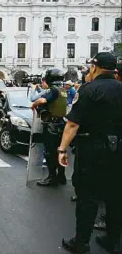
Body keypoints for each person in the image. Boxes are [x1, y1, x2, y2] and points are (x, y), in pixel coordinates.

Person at [58, 52, 122, 253]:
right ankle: (112, 240)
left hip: (93, 149)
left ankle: (81, 242)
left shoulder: (89, 89)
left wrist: (62, 149)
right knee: (115, 197)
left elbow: (73, 123)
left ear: (95, 67)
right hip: (118, 149)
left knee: (87, 196)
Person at [30, 67, 67, 187]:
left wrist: (34, 104)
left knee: (50, 152)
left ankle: (52, 178)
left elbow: (42, 100)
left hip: (52, 125)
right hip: (61, 123)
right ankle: (61, 176)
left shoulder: (53, 90)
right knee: (61, 150)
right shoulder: (63, 89)